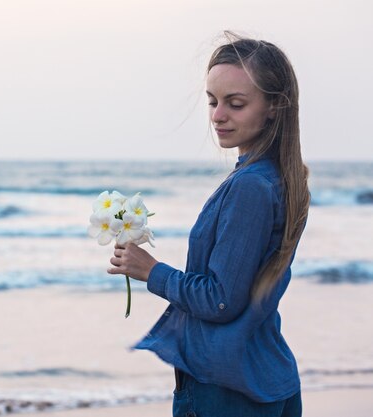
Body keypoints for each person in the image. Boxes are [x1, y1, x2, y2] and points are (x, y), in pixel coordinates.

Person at [108, 32, 310, 417]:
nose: (218, 116)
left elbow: (221, 300)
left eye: (236, 104)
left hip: (228, 391)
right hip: (267, 377)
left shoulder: (250, 186)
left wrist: (151, 271)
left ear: (274, 107)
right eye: (213, 102)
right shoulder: (281, 179)